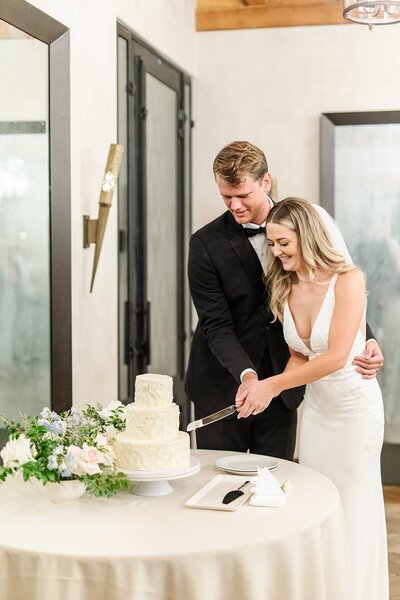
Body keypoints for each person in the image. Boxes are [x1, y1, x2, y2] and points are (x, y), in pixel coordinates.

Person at [185, 140, 383, 460]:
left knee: (276, 486)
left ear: (265, 182)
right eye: (226, 196)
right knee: (220, 487)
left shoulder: (305, 223)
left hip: (284, 383)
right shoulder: (204, 244)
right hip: (223, 387)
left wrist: (365, 338)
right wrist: (249, 377)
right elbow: (216, 325)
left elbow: (332, 283)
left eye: (243, 195)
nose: (234, 205)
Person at [235, 197, 388, 600]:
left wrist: (273, 386)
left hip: (354, 411)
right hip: (319, 412)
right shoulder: (285, 285)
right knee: (323, 506)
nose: (277, 252)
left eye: (283, 242)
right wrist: (267, 389)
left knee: (353, 507)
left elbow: (337, 355)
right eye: (272, 244)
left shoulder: (348, 280)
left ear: (308, 236)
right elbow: (300, 353)